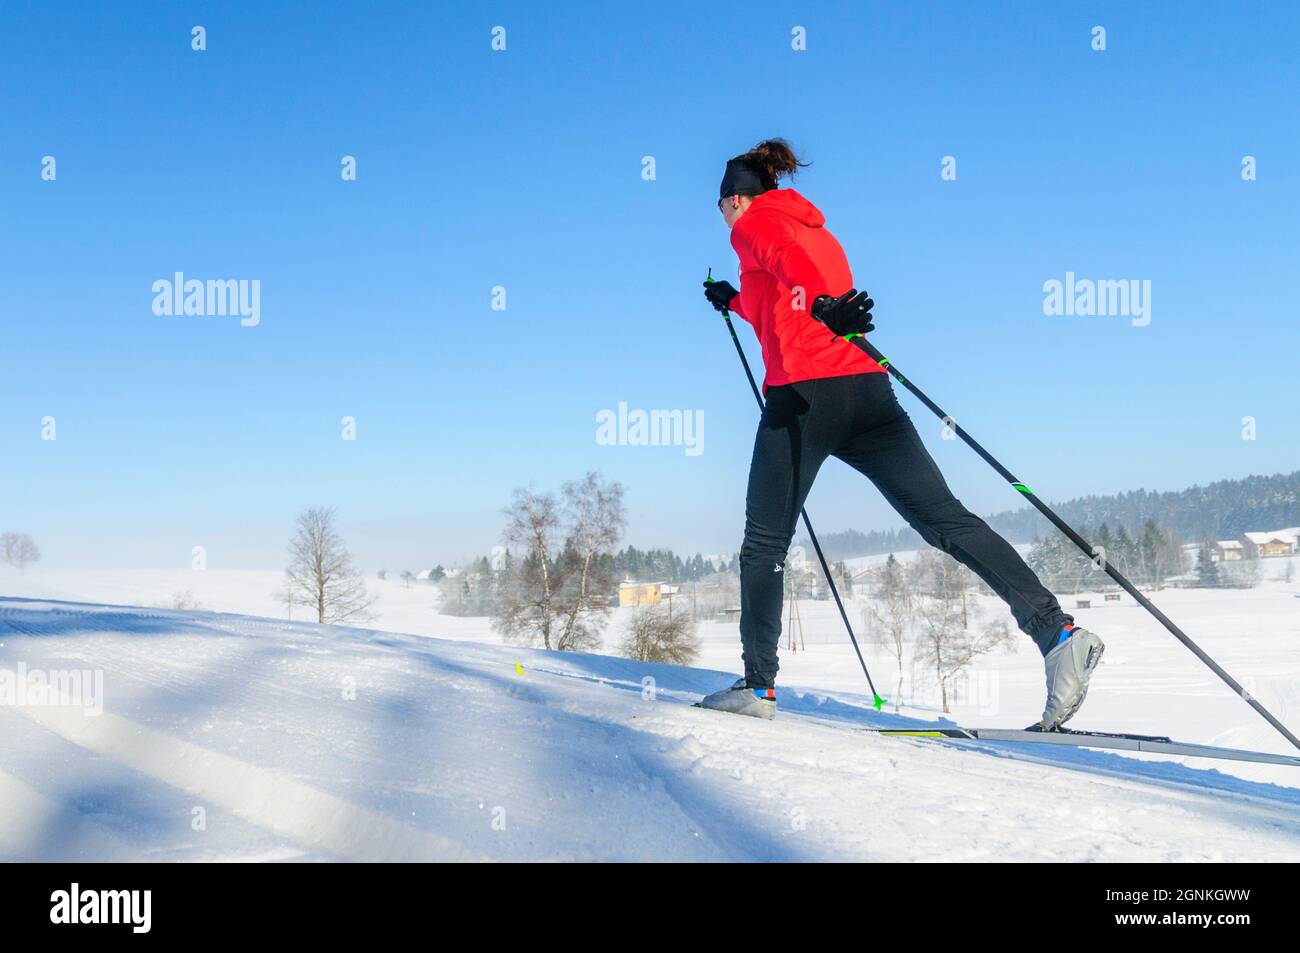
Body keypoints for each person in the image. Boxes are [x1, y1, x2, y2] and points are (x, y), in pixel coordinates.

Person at [697, 139, 1103, 726]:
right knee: (943, 517)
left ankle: (757, 686)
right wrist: (735, 301)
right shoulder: (813, 225)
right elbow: (780, 302)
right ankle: (1058, 635)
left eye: (721, 208)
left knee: (764, 545)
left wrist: (825, 302)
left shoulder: (755, 224)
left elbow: (791, 268)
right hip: (865, 391)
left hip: (804, 400)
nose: (725, 220)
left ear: (735, 199)